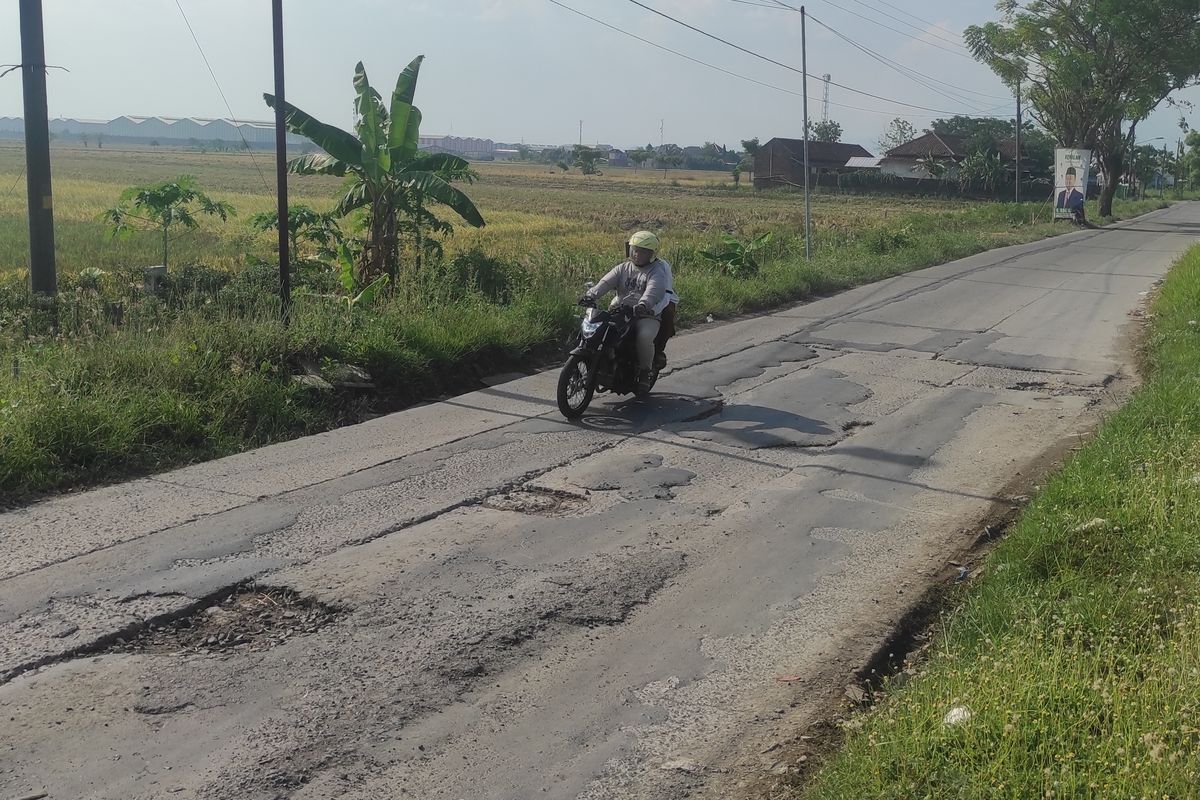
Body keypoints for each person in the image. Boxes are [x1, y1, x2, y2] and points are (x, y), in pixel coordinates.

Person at [580, 230, 677, 394]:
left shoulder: (656, 271)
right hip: (620, 310)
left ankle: (646, 371)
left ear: (652, 254)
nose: (638, 254)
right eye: (635, 250)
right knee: (600, 330)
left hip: (645, 314)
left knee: (644, 337)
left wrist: (643, 305)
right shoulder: (623, 267)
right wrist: (590, 295)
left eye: (644, 251)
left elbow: (653, 290)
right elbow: (606, 282)